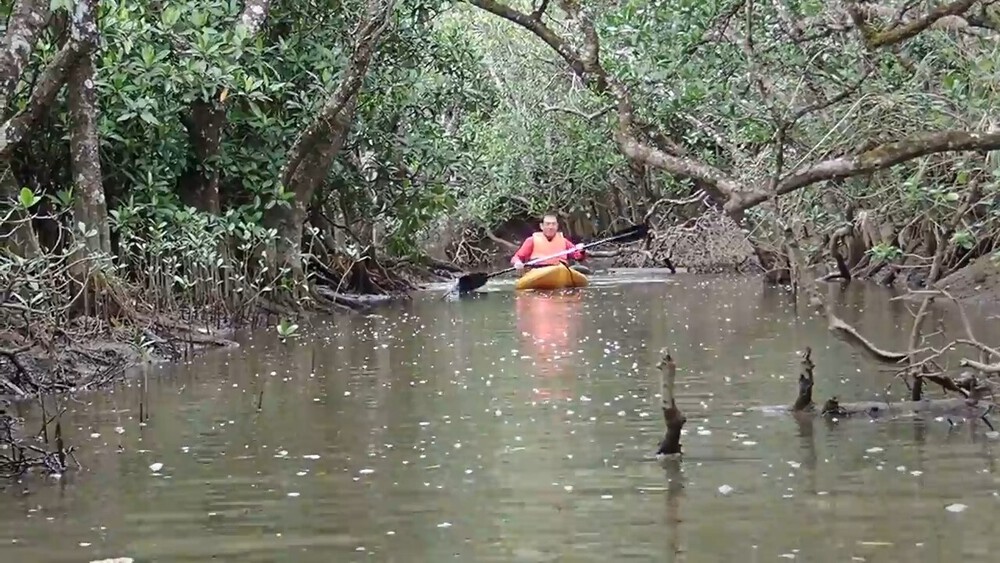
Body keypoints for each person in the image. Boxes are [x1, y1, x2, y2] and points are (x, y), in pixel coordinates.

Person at [510, 212, 587, 272]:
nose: (550, 227)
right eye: (547, 224)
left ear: (557, 226)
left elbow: (578, 256)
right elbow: (516, 257)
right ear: (541, 226)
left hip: (560, 269)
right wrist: (517, 263)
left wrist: (581, 250)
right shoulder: (531, 241)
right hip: (538, 270)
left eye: (553, 224)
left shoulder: (564, 241)